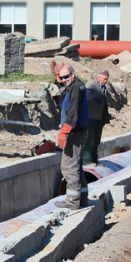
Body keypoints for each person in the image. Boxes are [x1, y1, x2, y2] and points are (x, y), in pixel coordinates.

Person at [54, 64, 89, 210]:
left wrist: (65, 130)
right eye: (62, 77)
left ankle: (73, 201)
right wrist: (57, 79)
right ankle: (82, 198)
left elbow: (73, 111)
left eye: (66, 77)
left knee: (69, 166)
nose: (64, 80)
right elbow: (63, 92)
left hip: (74, 133)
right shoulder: (75, 86)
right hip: (79, 132)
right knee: (77, 166)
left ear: (73, 74)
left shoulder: (76, 88)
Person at [83, 70, 112, 166]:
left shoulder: (103, 87)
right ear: (99, 77)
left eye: (106, 79)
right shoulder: (92, 84)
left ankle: (95, 160)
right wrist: (95, 97)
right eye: (104, 79)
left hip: (99, 117)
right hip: (91, 117)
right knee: (89, 138)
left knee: (96, 139)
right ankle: (87, 160)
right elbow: (85, 93)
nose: (105, 81)